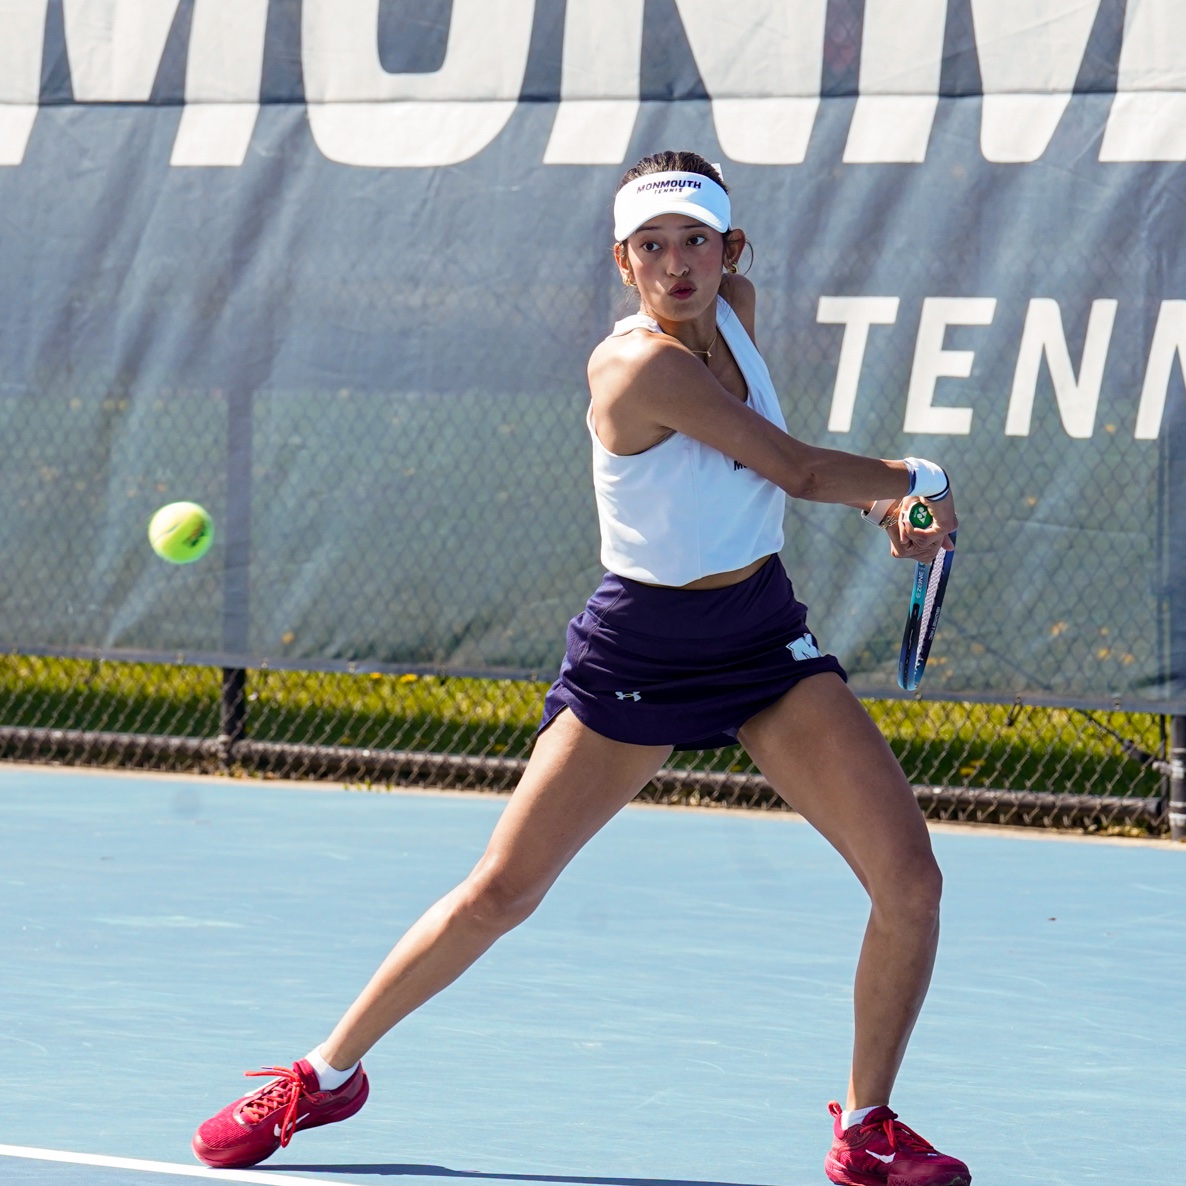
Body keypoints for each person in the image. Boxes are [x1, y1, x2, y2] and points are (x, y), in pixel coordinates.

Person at [192, 150, 969, 1186]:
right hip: (637, 654)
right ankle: (325, 1073)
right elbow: (791, 468)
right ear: (622, 261)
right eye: (649, 246)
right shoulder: (633, 367)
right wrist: (913, 479)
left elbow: (761, 453)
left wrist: (881, 506)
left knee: (909, 881)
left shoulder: (731, 307)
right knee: (499, 893)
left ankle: (866, 1126)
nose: (676, 263)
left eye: (695, 240)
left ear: (730, 250)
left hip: (758, 635)